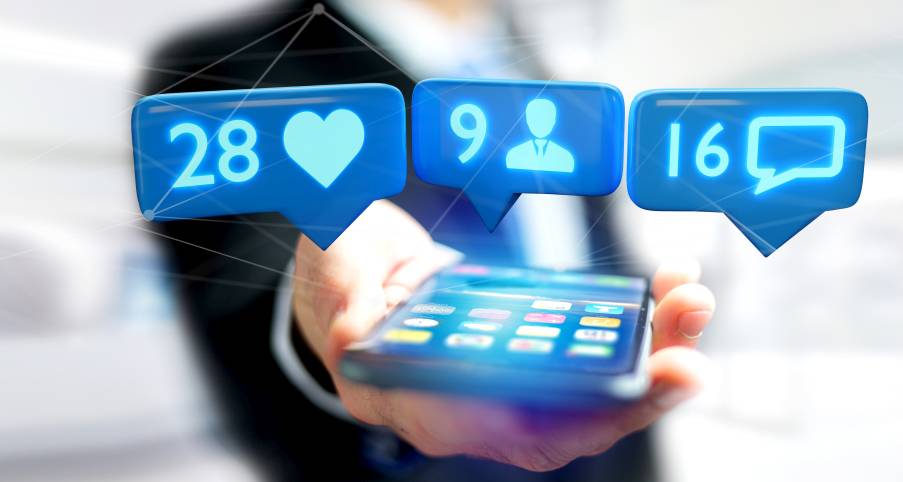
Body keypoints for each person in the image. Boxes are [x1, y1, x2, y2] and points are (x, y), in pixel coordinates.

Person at [142, 1, 715, 480]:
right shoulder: (228, 65)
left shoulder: (548, 71)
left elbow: (596, 259)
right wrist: (330, 313)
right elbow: (244, 283)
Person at [506, 98, 575, 173]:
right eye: (535, 119)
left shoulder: (566, 157)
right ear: (527, 120)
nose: (540, 124)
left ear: (554, 121)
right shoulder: (513, 154)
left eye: (545, 119)